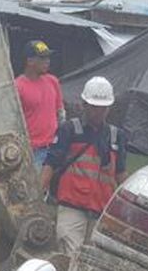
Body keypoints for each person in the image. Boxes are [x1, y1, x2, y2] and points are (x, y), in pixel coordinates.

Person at [42, 76, 127, 255]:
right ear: (84, 105)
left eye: (102, 108)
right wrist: (39, 193)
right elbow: (51, 162)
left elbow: (120, 173)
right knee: (69, 256)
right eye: (95, 107)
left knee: (91, 260)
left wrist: (125, 209)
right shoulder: (70, 130)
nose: (98, 112)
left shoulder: (116, 136)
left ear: (109, 108)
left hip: (100, 210)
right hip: (72, 206)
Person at [14, 40, 64, 167]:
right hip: (31, 150)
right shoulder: (18, 86)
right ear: (30, 61)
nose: (47, 61)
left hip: (53, 147)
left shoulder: (53, 81)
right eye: (42, 58)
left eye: (48, 57)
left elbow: (60, 113)